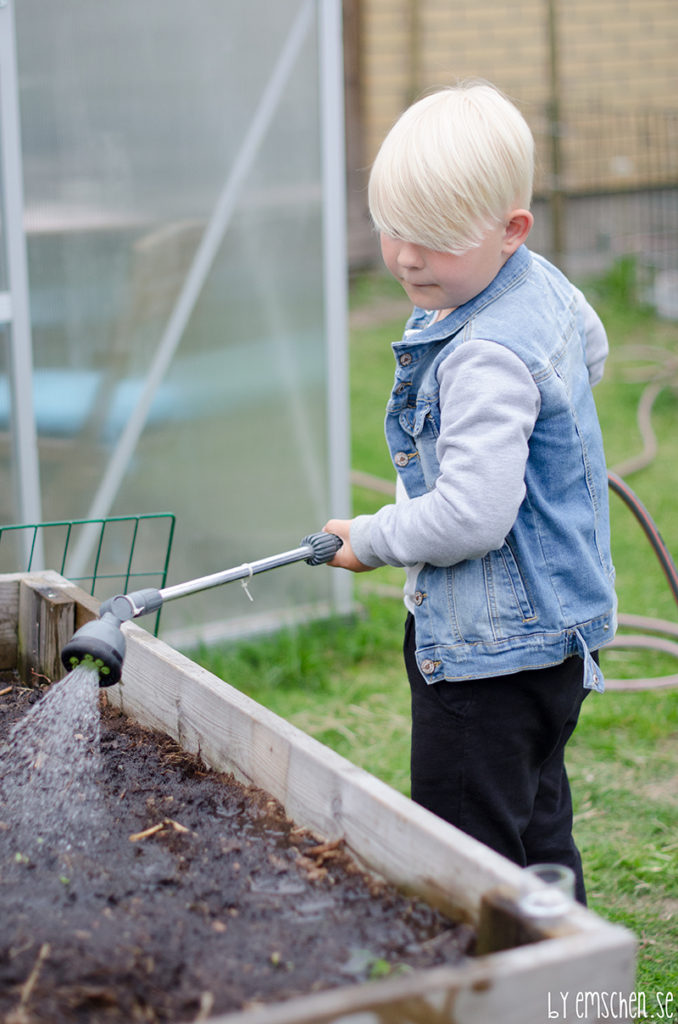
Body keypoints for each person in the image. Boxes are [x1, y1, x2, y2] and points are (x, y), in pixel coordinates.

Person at [323, 81, 616, 904]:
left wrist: (371, 537)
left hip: (489, 662)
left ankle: (491, 989)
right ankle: (572, 975)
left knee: (466, 856)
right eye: (393, 231)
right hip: (555, 641)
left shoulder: (484, 353)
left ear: (509, 229)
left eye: (436, 240)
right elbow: (587, 353)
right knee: (537, 827)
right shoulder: (539, 281)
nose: (408, 257)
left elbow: (473, 517)